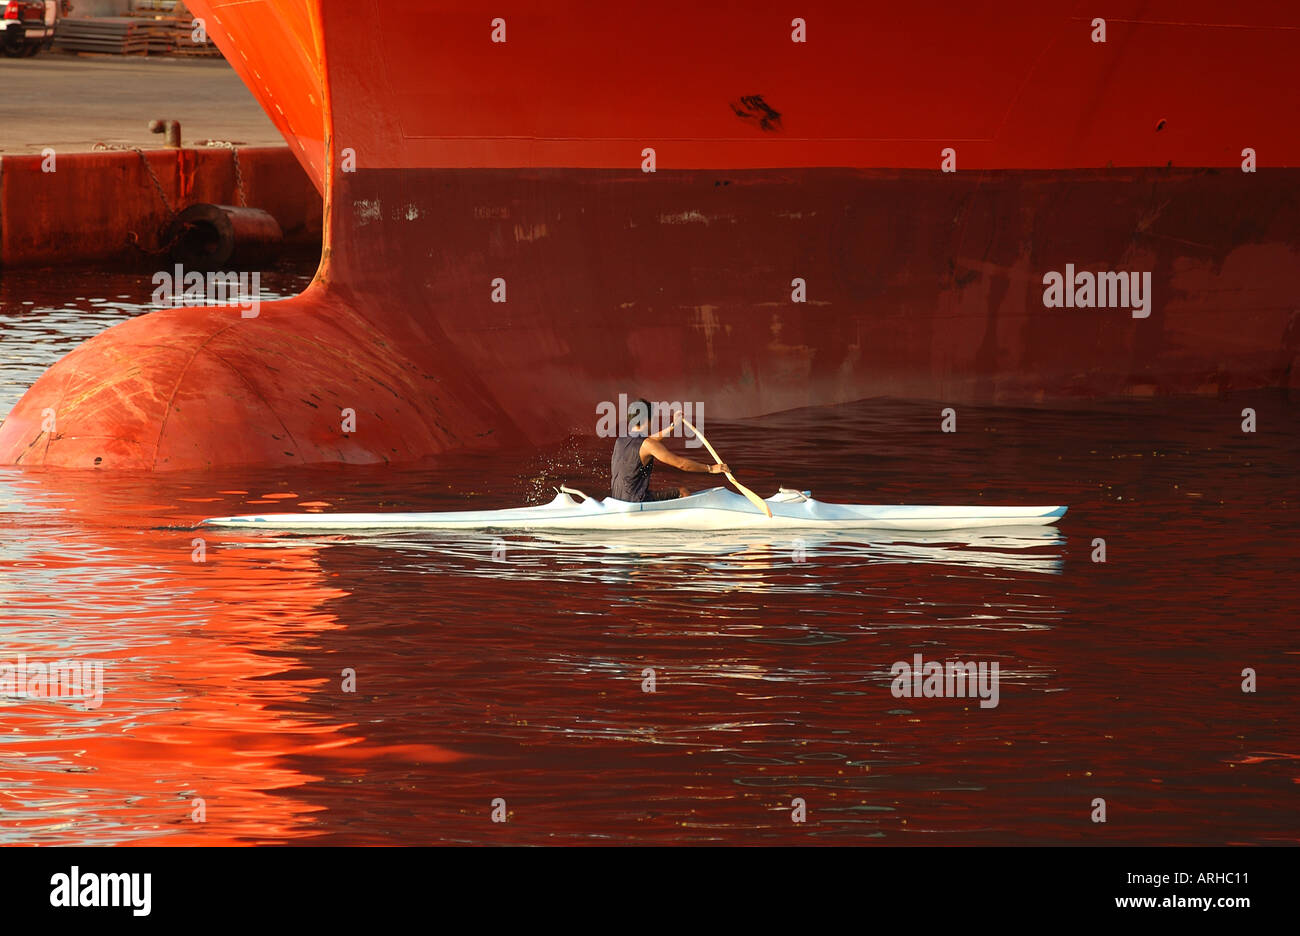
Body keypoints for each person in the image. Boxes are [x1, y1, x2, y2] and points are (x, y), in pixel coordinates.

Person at [611, 398, 729, 502]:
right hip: (636, 502)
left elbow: (646, 442)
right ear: (647, 420)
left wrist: (673, 426)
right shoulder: (648, 444)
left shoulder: (620, 441)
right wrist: (711, 468)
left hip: (618, 500)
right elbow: (681, 464)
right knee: (682, 492)